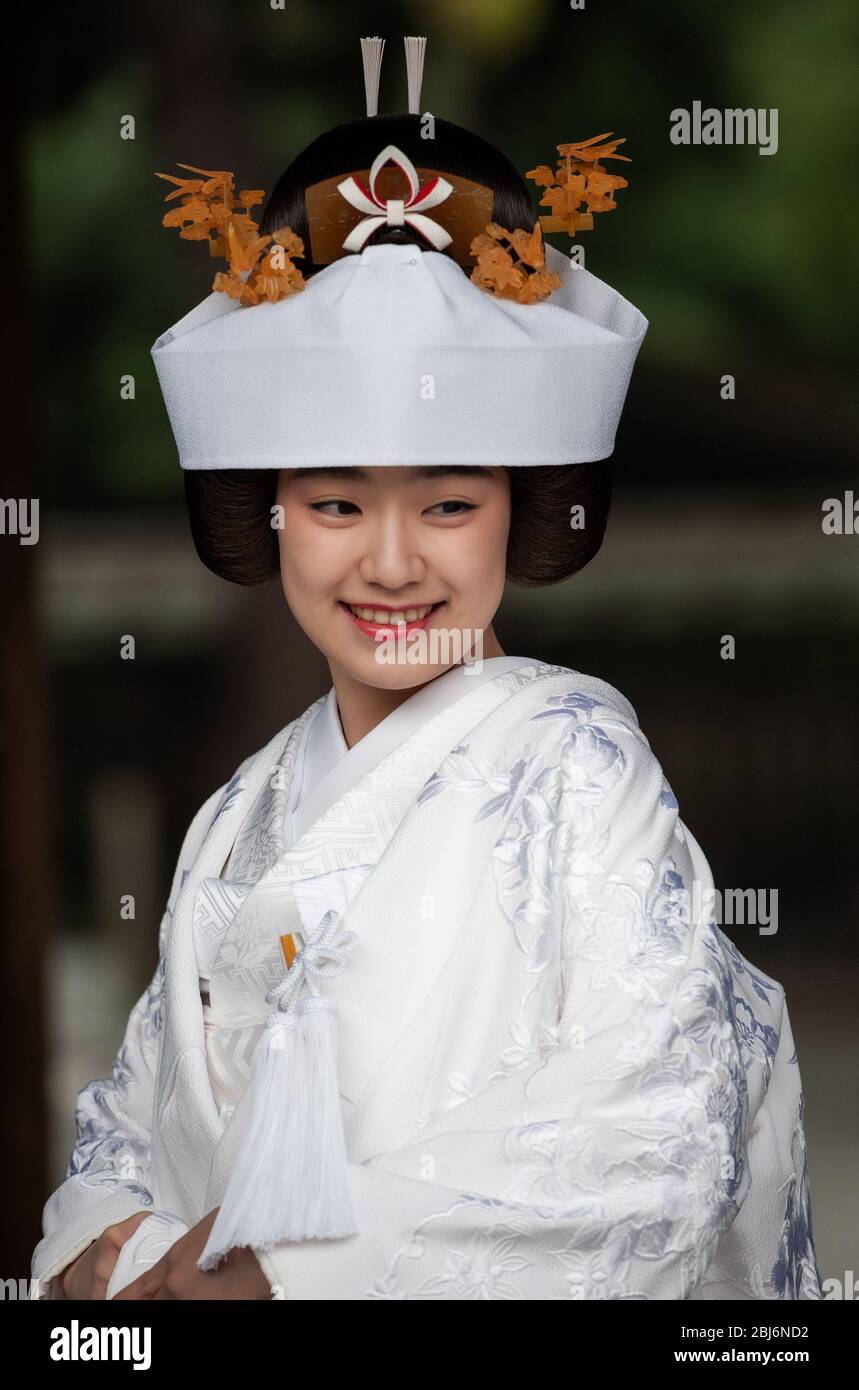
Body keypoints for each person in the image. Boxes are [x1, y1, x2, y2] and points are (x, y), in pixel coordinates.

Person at [32, 39, 821, 1301]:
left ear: (521, 507)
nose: (391, 565)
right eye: (338, 502)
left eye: (448, 505)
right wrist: (100, 1254)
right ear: (271, 510)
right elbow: (131, 1126)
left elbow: (653, 1138)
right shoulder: (238, 816)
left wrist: (291, 1272)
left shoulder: (578, 768)